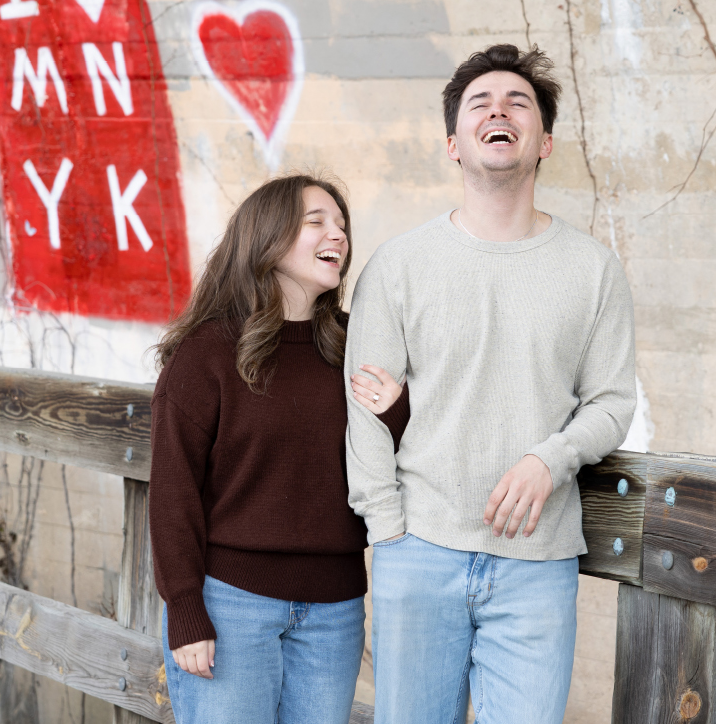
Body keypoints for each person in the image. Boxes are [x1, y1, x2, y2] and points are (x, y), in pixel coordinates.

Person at [345, 44, 636, 724]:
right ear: (453, 144)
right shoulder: (399, 267)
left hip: (537, 567)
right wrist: (388, 534)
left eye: (518, 103)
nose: (498, 111)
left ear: (545, 143)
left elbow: (613, 402)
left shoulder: (593, 271)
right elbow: (361, 410)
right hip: (418, 553)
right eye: (480, 103)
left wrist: (550, 459)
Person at [148, 173, 409, 724]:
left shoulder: (354, 342)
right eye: (316, 221)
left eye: (341, 224)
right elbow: (173, 494)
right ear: (266, 237)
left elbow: (407, 459)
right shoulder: (207, 353)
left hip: (336, 610)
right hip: (232, 604)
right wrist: (186, 609)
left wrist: (397, 411)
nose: (336, 233)